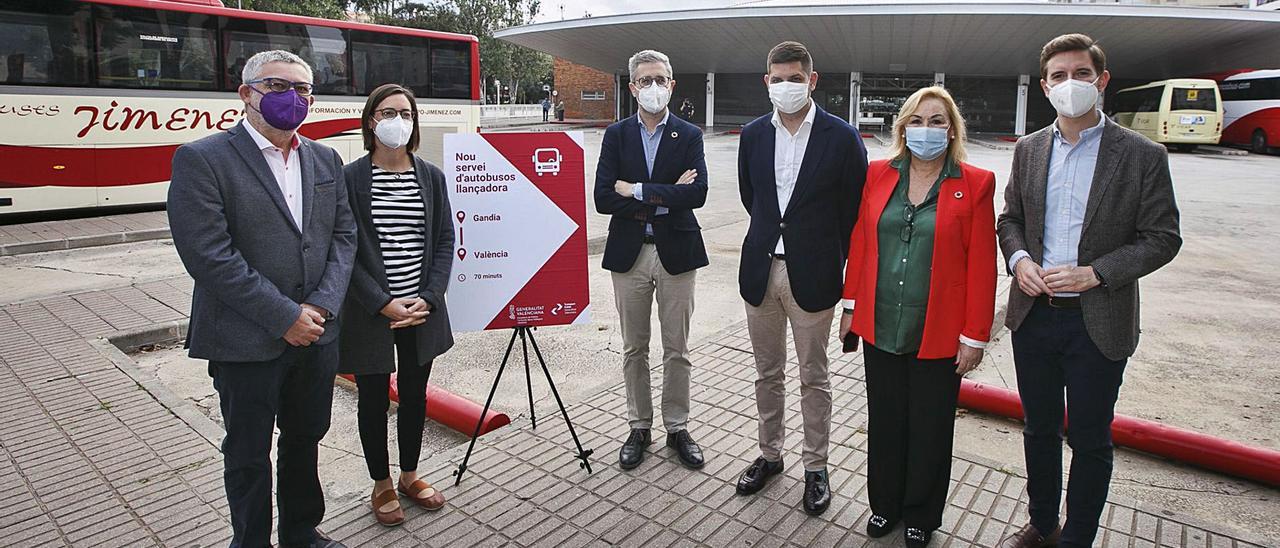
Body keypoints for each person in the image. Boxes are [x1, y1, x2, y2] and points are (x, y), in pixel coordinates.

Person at [997, 34, 1181, 548]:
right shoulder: (1030, 149)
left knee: (1090, 438)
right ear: (1045, 86)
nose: (1070, 84)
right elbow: (1010, 219)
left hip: (1098, 318)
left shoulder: (1143, 154)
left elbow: (1163, 238)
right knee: (1038, 430)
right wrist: (1020, 261)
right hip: (1034, 315)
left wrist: (1095, 272)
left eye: (1081, 73)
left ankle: (1078, 536)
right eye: (1059, 76)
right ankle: (1042, 524)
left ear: (1102, 81)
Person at [167, 50, 355, 548]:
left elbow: (343, 237)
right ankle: (250, 540)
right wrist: (283, 316)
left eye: (303, 89)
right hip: (244, 339)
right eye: (277, 86)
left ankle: (300, 532)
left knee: (305, 439)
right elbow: (209, 255)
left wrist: (320, 306)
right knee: (248, 452)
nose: (293, 98)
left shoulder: (325, 157)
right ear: (246, 93)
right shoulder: (202, 159)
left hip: (317, 335)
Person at [839, 86, 996, 547]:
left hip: (940, 330)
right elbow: (861, 243)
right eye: (917, 121)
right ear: (903, 128)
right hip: (881, 321)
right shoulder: (877, 175)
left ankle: (921, 514)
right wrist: (850, 307)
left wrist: (975, 335)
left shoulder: (976, 182)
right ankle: (885, 505)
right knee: (886, 420)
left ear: (951, 131)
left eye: (936, 122)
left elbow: (982, 264)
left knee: (929, 425)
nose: (926, 130)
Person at [734, 40, 867, 516]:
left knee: (815, 377)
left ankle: (816, 467)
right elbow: (754, 200)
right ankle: (770, 455)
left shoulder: (842, 137)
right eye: (777, 77)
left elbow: (853, 213)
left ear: (812, 80)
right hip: (761, 271)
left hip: (814, 275)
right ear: (766, 81)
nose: (786, 85)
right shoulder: (752, 135)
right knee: (767, 374)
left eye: (796, 77)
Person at [339, 84, 455, 527]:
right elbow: (345, 249)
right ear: (371, 120)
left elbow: (445, 240)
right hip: (374, 314)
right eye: (388, 112)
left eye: (406, 113)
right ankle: (381, 482)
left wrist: (429, 296)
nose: (398, 120)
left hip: (421, 312)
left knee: (414, 396)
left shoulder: (430, 175)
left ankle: (409, 474)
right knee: (371, 398)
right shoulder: (351, 178)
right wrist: (383, 303)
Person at [594, 49, 709, 472]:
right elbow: (604, 197)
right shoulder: (616, 135)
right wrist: (664, 194)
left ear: (672, 85)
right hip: (630, 255)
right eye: (645, 80)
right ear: (632, 87)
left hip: (676, 253)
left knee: (677, 348)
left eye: (661, 79)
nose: (654, 87)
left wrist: (637, 190)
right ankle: (638, 426)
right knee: (634, 348)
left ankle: (677, 427)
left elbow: (696, 195)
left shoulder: (689, 135)